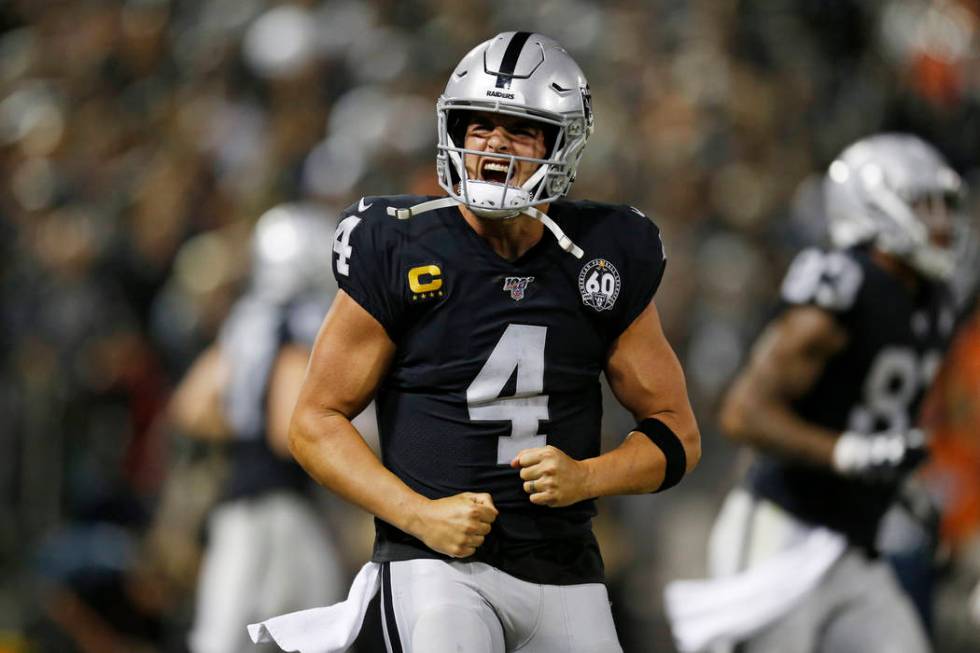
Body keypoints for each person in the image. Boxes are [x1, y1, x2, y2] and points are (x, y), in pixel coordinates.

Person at [249, 31, 700, 653]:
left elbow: (677, 434)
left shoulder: (604, 252)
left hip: (564, 565)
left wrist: (589, 477)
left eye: (518, 128)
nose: (492, 144)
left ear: (562, 141)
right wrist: (418, 515)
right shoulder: (397, 242)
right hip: (436, 564)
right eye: (476, 125)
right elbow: (313, 421)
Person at [664, 133, 963, 653]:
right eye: (925, 205)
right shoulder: (844, 285)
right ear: (878, 205)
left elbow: (872, 409)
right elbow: (742, 413)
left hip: (854, 543)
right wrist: (849, 452)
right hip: (780, 534)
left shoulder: (934, 298)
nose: (941, 222)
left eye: (945, 207)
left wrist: (899, 487)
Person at [168, 204, 345, 653]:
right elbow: (286, 432)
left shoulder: (247, 319)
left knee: (224, 638)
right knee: (315, 635)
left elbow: (190, 405)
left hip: (238, 499)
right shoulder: (299, 322)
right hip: (281, 508)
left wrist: (241, 424)